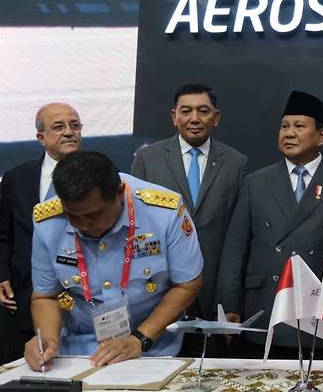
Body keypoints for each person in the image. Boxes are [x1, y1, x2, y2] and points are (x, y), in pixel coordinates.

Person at [218, 90, 323, 358]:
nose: (289, 133)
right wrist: (228, 305)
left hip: (321, 313)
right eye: (284, 127)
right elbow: (236, 248)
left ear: (321, 135)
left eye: (299, 126)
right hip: (265, 309)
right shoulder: (255, 183)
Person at [24, 151, 203, 370]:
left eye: (93, 215)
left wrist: (139, 339)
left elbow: (187, 284)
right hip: (77, 353)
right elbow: (46, 296)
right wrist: (47, 340)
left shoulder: (164, 211)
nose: (83, 225)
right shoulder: (47, 220)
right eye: (72, 216)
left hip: (153, 347)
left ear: (119, 193)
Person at [131, 84, 247, 356]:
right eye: (186, 111)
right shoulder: (148, 159)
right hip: (161, 290)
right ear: (175, 117)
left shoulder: (236, 163)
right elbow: (136, 227)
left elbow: (238, 236)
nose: (194, 118)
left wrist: (230, 300)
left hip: (213, 289)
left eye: (203, 111)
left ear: (216, 117)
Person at [0, 102, 82, 364]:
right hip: (25, 295)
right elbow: (4, 234)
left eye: (75, 125)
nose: (69, 132)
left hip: (84, 296)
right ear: (41, 138)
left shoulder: (103, 175)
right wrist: (1, 275)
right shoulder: (16, 178)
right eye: (59, 127)